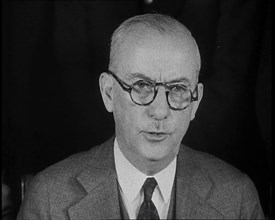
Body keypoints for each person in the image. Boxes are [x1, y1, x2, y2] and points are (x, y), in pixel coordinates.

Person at [17, 13, 264, 220]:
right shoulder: (49, 199)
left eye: (177, 89)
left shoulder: (237, 197)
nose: (159, 111)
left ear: (195, 101)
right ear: (108, 93)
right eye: (141, 86)